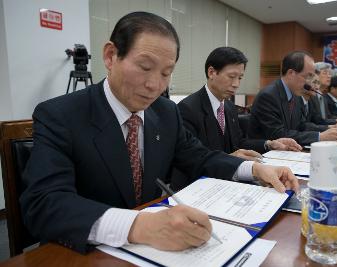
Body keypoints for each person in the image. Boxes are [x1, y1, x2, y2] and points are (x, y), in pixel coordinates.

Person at [20, 11, 299, 254]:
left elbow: (198, 157)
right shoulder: (60, 115)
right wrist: (138, 226)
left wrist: (253, 169)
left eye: (166, 73)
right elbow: (43, 204)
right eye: (144, 67)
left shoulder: (165, 112)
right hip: (87, 252)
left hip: (158, 250)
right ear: (110, 55)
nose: (154, 85)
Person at [171, 47, 301, 190]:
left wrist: (269, 144)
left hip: (229, 182)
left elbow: (238, 142)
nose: (236, 84)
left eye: (240, 78)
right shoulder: (187, 109)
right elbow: (194, 158)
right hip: (197, 187)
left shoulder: (229, 107)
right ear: (211, 72)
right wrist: (231, 158)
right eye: (231, 77)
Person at [247, 51, 337, 146]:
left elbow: (301, 125)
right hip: (264, 155)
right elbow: (277, 134)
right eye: (308, 76)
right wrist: (319, 136)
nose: (310, 82)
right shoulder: (269, 96)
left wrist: (330, 128)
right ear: (291, 73)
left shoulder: (294, 94)